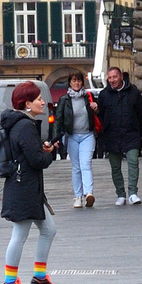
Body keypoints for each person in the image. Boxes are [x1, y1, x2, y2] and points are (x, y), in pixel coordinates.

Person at [0, 82, 59, 284]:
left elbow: (27, 152)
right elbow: (36, 160)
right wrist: (49, 154)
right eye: (38, 99)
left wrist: (41, 148)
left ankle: (40, 277)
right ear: (27, 103)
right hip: (23, 188)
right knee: (19, 235)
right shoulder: (25, 126)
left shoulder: (20, 123)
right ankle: (9, 282)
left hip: (28, 188)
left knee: (48, 229)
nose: (43, 102)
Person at [97, 65, 142, 206]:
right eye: (110, 77)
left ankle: (133, 193)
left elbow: (141, 112)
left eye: (115, 77)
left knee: (133, 161)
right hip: (112, 134)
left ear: (121, 76)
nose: (112, 80)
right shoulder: (104, 95)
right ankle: (120, 194)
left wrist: (139, 128)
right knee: (115, 167)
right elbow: (100, 114)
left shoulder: (133, 92)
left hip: (130, 133)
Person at [55, 71, 99, 209]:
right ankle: (78, 196)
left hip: (87, 135)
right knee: (76, 167)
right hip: (72, 136)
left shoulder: (88, 97)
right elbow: (58, 119)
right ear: (69, 82)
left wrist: (96, 108)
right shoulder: (64, 99)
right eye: (74, 80)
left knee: (85, 164)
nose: (76, 83)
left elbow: (97, 114)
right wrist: (55, 138)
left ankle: (88, 193)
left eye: (79, 81)